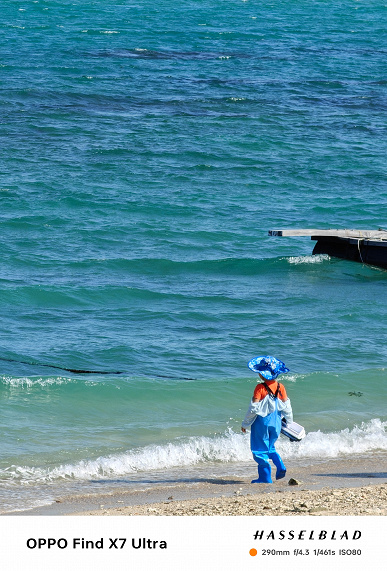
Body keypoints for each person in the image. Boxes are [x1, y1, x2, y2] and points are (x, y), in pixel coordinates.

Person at [241, 355, 293, 483]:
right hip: (276, 423)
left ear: (262, 374)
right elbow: (287, 406)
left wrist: (245, 423)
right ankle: (280, 465)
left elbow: (253, 408)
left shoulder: (260, 388)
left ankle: (265, 478)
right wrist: (290, 421)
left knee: (259, 450)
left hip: (262, 423)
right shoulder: (281, 387)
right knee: (270, 447)